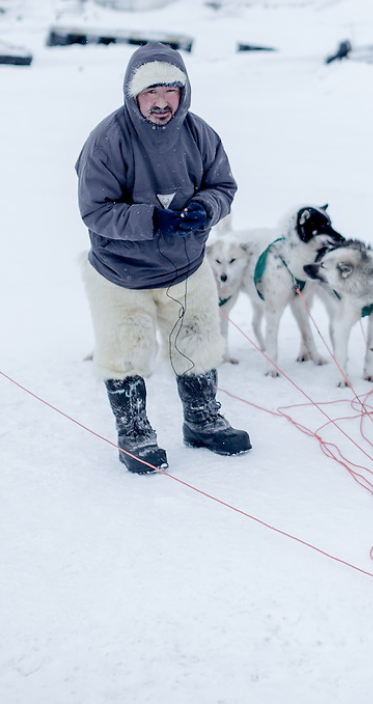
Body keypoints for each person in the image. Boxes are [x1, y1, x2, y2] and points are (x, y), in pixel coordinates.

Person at [76, 42, 251, 474]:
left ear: (183, 93)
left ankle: (203, 420)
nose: (160, 102)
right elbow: (95, 211)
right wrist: (154, 220)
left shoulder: (200, 134)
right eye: (150, 93)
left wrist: (206, 209)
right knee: (126, 353)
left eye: (169, 92)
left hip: (186, 268)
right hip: (121, 274)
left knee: (197, 343)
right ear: (133, 95)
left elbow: (223, 186)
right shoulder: (107, 140)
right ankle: (135, 433)